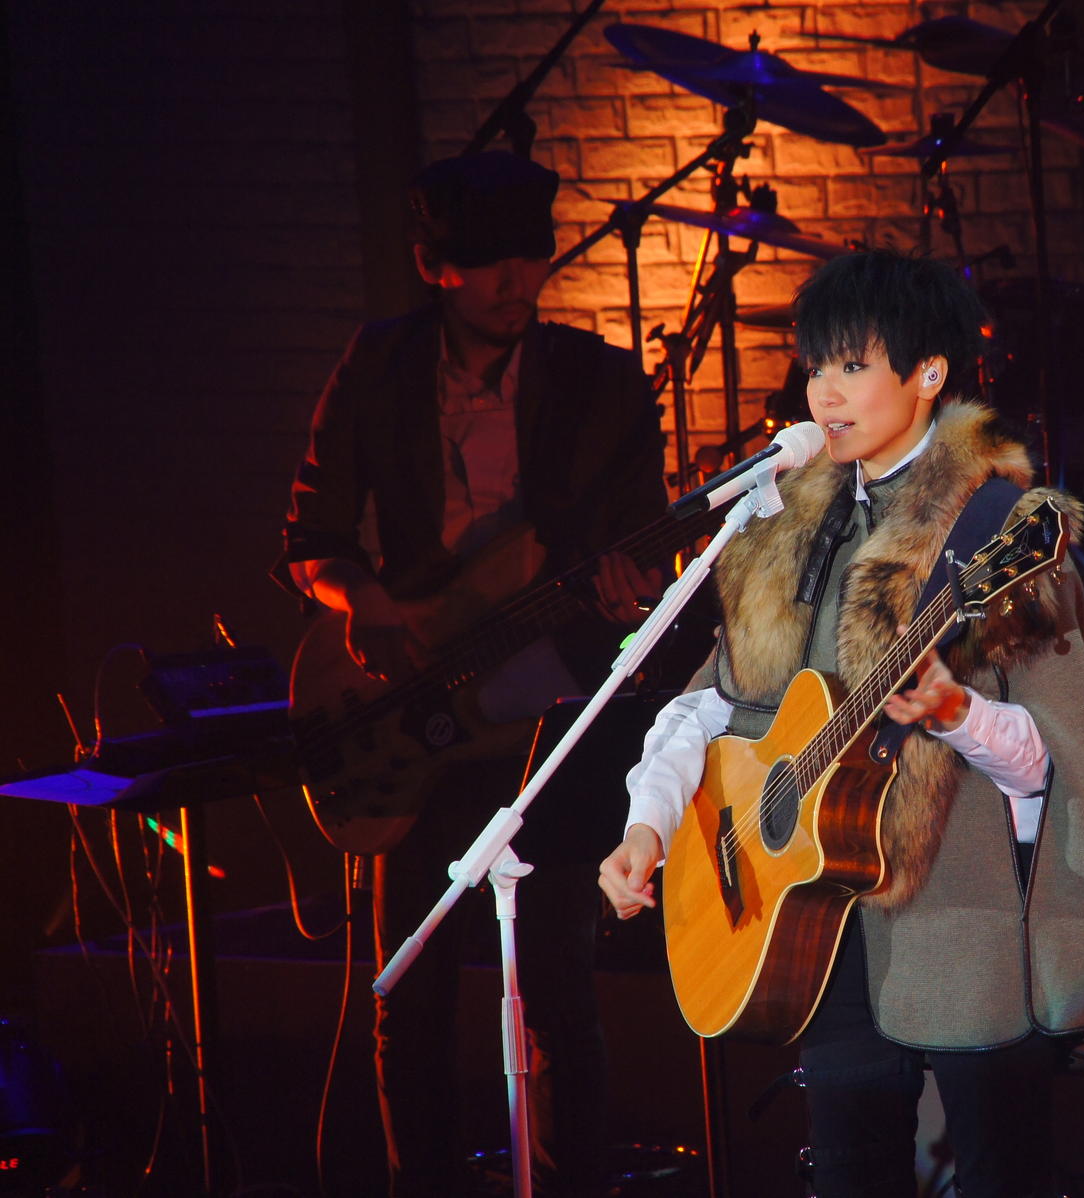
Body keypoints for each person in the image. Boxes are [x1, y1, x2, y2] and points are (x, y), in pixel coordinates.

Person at [597, 249, 1084, 1197]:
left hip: (966, 923)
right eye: (815, 368)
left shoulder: (999, 528)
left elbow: (1055, 764)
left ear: (929, 375)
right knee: (850, 1172)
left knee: (1001, 1173)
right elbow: (711, 704)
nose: (824, 393)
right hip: (817, 929)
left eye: (852, 366)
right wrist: (649, 825)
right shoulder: (784, 528)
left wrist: (957, 713)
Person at [274, 150, 666, 1197]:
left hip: (543, 713)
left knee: (560, 988)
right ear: (433, 265)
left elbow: (639, 551)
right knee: (411, 991)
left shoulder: (597, 381)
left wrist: (631, 590)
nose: (514, 281)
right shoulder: (379, 366)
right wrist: (367, 606)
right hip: (403, 707)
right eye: (489, 261)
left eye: (530, 258)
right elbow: (309, 538)